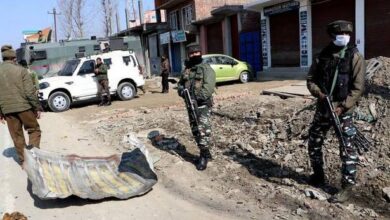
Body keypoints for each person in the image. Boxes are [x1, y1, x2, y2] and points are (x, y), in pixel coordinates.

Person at [306, 20, 365, 203]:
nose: (344, 37)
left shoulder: (355, 56)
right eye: (340, 35)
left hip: (343, 110)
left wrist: (343, 106)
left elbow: (358, 88)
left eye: (347, 34)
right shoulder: (321, 56)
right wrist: (320, 94)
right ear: (332, 36)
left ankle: (347, 187)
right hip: (324, 108)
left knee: (347, 149)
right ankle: (318, 176)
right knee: (314, 141)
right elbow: (310, 80)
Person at [0, 45, 42, 167]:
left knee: (17, 136)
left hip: (8, 110)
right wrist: (37, 107)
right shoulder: (21, 70)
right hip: (24, 107)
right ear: (14, 58)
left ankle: (24, 162)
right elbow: (29, 92)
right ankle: (33, 157)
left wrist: (0, 112)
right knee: (34, 130)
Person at [178, 43, 216, 171]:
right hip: (190, 104)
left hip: (202, 105)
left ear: (200, 53)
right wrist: (182, 91)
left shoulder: (206, 68)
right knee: (195, 130)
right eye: (191, 53)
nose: (194, 55)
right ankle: (205, 152)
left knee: (203, 130)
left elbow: (209, 87)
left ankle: (204, 156)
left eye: (196, 53)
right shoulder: (187, 69)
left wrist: (198, 98)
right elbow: (180, 84)